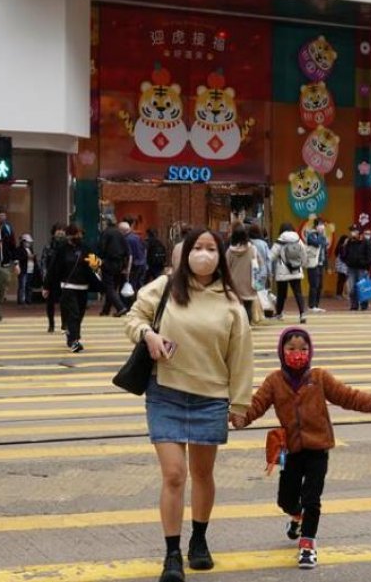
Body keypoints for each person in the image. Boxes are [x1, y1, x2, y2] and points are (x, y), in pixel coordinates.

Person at [125, 227, 254, 580]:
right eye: (198, 246)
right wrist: (147, 334)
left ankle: (199, 539)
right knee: (174, 475)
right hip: (165, 391)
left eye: (211, 248)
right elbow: (133, 317)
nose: (204, 254)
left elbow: (241, 356)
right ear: (185, 252)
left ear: (221, 255)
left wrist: (240, 404)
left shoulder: (230, 302)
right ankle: (171, 554)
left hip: (210, 397)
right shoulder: (165, 287)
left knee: (202, 474)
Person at [230, 327, 371, 569]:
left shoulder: (319, 377)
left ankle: (307, 543)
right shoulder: (274, 381)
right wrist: (241, 418)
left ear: (310, 352)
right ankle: (295, 515)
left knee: (312, 498)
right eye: (291, 349)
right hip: (291, 451)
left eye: (303, 349)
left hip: (318, 450)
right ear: (281, 351)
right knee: (285, 499)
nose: (298, 354)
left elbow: (347, 396)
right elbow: (256, 405)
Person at [44, 224, 96, 353]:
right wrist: (47, 286)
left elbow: (95, 265)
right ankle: (74, 341)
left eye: (80, 234)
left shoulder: (86, 248)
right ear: (69, 236)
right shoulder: (62, 249)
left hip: (83, 287)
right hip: (68, 287)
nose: (78, 237)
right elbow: (53, 268)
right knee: (74, 313)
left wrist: (99, 268)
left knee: (80, 314)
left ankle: (71, 334)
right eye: (76, 234)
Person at [271, 223, 308, 323]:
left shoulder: (280, 241)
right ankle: (302, 314)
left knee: (281, 294)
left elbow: (272, 255)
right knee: (298, 293)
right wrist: (302, 265)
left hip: (282, 271)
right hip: (296, 269)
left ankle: (279, 314)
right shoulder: (298, 239)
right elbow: (304, 253)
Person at [226, 224, 259, 323]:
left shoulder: (230, 251)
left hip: (234, 282)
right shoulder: (252, 249)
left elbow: (226, 266)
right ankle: (248, 325)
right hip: (249, 281)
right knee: (248, 305)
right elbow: (258, 263)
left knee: (236, 306)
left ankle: (238, 325)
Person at [98, 219, 129, 317]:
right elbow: (127, 250)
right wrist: (125, 265)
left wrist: (100, 260)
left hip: (109, 262)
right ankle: (106, 310)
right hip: (119, 263)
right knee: (113, 287)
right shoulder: (120, 234)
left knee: (109, 287)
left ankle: (120, 307)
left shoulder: (106, 233)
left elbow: (102, 248)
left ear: (106, 224)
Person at [40, 223, 67, 333]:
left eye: (62, 230)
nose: (60, 232)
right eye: (58, 230)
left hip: (64, 278)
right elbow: (43, 263)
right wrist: (45, 278)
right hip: (51, 278)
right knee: (50, 303)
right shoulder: (48, 246)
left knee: (64, 302)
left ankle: (64, 324)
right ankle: (51, 324)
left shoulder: (68, 246)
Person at [342, 226, 371, 312]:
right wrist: (346, 260)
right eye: (351, 231)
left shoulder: (365, 242)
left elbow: (369, 256)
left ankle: (364, 305)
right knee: (352, 288)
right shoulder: (349, 242)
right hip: (351, 268)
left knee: (363, 287)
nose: (352, 233)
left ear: (359, 232)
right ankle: (354, 305)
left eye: (354, 231)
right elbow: (344, 254)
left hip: (362, 268)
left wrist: (367, 266)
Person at [304, 218, 329, 314]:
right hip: (312, 263)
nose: (322, 227)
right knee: (314, 285)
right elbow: (317, 243)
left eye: (323, 225)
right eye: (321, 224)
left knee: (320, 285)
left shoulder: (321, 235)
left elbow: (325, 246)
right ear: (316, 225)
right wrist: (322, 238)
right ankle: (311, 305)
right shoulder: (311, 234)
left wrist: (326, 265)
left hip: (320, 264)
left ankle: (316, 305)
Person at [121, 221, 147, 295]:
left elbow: (130, 255)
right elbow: (144, 249)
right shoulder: (137, 237)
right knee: (140, 285)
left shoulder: (126, 240)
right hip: (142, 263)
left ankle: (132, 303)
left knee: (132, 286)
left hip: (134, 265)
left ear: (123, 231)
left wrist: (127, 270)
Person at [16, 234, 37, 306]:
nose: (29, 244)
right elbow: (18, 258)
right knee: (22, 285)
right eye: (27, 242)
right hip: (23, 270)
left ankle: (29, 300)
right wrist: (27, 257)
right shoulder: (19, 249)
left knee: (29, 286)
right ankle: (21, 300)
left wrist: (33, 257)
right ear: (23, 242)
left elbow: (34, 259)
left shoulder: (30, 249)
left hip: (30, 270)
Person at [333, 233, 349, 299]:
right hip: (342, 265)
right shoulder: (342, 247)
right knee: (342, 279)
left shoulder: (342, 246)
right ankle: (339, 294)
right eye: (347, 240)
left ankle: (341, 293)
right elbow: (343, 256)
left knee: (342, 280)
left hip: (341, 265)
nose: (347, 241)